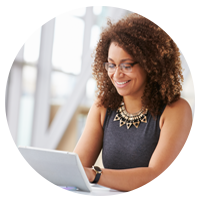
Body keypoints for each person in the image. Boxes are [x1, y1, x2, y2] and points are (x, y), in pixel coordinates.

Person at [20, 12, 193, 197]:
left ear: (151, 64)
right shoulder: (103, 107)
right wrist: (40, 175)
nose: (116, 75)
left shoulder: (176, 110)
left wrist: (96, 175)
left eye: (126, 66)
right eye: (111, 65)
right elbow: (77, 169)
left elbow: (155, 179)